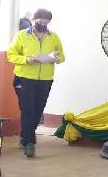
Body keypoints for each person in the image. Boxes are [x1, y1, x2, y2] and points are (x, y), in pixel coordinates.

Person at [6, 8, 65, 158]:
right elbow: (10, 55)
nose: (43, 25)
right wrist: (27, 59)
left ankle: (24, 135)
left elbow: (62, 56)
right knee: (28, 109)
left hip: (45, 79)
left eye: (46, 23)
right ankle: (29, 143)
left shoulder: (54, 37)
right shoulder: (22, 35)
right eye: (40, 22)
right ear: (34, 20)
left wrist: (56, 58)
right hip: (24, 78)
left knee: (38, 110)